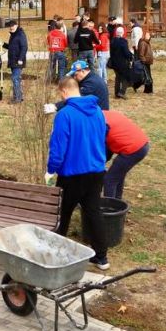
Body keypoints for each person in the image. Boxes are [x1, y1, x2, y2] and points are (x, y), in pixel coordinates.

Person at [46, 77, 111, 270]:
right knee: (93, 212)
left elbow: (58, 148)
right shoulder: (97, 111)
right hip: (96, 171)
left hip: (72, 173)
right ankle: (101, 257)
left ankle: (55, 255)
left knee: (62, 214)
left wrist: (51, 170)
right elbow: (103, 136)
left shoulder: (64, 115)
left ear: (64, 91)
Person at [103, 109, 149, 200]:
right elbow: (108, 146)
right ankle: (117, 200)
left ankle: (109, 206)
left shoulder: (98, 123)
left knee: (109, 179)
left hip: (133, 149)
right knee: (118, 174)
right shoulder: (106, 114)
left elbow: (103, 148)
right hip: (142, 144)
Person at [3, 20, 27, 104]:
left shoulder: (20, 34)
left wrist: (20, 59)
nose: (11, 27)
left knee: (15, 78)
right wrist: (4, 45)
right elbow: (12, 47)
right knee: (17, 79)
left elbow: (24, 47)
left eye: (13, 26)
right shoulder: (13, 35)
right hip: (13, 61)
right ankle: (19, 96)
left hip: (18, 61)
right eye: (10, 26)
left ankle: (17, 98)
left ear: (16, 25)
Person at [109, 25, 133, 100]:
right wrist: (131, 55)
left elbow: (111, 52)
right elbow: (126, 53)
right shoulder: (123, 41)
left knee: (118, 78)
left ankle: (116, 94)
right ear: (122, 33)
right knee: (125, 78)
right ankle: (122, 92)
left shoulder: (112, 41)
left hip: (114, 63)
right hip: (122, 63)